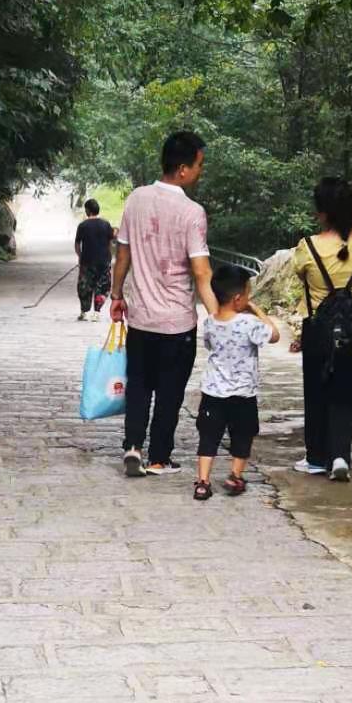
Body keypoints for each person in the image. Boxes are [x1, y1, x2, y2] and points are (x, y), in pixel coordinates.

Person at [110, 130, 217, 477]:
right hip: (177, 322)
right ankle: (159, 457)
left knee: (139, 383)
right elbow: (201, 272)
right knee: (170, 391)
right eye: (199, 165)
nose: (200, 172)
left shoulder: (136, 199)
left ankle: (133, 446)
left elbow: (122, 256)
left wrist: (116, 296)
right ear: (183, 169)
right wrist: (219, 315)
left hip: (140, 318)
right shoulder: (192, 212)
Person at [291, 176, 352, 482]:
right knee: (349, 387)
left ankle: (316, 458)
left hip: (318, 326)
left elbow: (303, 278)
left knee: (317, 388)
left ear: (322, 213)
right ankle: (341, 454)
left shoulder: (308, 247)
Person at [193, 264, 281, 501]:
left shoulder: (210, 322)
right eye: (248, 295)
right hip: (243, 393)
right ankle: (235, 475)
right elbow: (274, 335)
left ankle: (202, 482)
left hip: (213, 392)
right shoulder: (249, 324)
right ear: (238, 298)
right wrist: (257, 310)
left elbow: (210, 346)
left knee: (208, 437)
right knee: (242, 436)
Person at [74, 199, 115, 320]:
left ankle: (84, 313)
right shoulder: (106, 224)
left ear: (87, 210)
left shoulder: (82, 226)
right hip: (103, 261)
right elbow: (110, 243)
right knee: (102, 286)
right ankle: (97, 313)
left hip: (87, 262)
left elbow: (77, 244)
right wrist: (109, 257)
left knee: (85, 287)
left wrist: (80, 256)